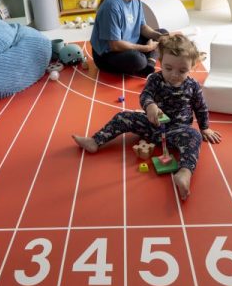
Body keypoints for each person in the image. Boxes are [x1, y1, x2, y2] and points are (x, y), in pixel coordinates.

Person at [73, 34, 222, 200]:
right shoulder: (156, 79)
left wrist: (204, 128)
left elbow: (201, 107)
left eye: (182, 71)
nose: (174, 74)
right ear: (160, 62)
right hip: (151, 125)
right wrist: (150, 106)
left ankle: (185, 173)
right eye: (168, 68)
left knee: (194, 136)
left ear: (192, 67)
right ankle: (95, 141)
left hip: (176, 131)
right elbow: (146, 95)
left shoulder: (193, 86)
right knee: (123, 116)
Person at [90, 0, 169, 76]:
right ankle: (146, 61)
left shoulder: (136, 0)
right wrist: (146, 48)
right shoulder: (112, 6)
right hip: (108, 55)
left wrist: (158, 36)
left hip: (129, 43)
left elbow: (142, 27)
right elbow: (115, 45)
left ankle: (148, 64)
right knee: (137, 60)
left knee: (163, 33)